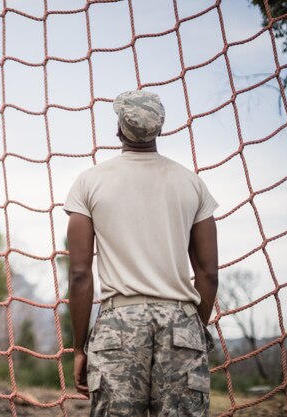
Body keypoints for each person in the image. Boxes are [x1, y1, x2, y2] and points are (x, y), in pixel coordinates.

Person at [64, 91, 218, 416]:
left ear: (119, 128)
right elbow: (208, 274)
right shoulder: (192, 184)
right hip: (182, 321)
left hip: (118, 325)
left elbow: (79, 273)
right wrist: (191, 329)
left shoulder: (90, 182)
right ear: (159, 129)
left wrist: (78, 348)